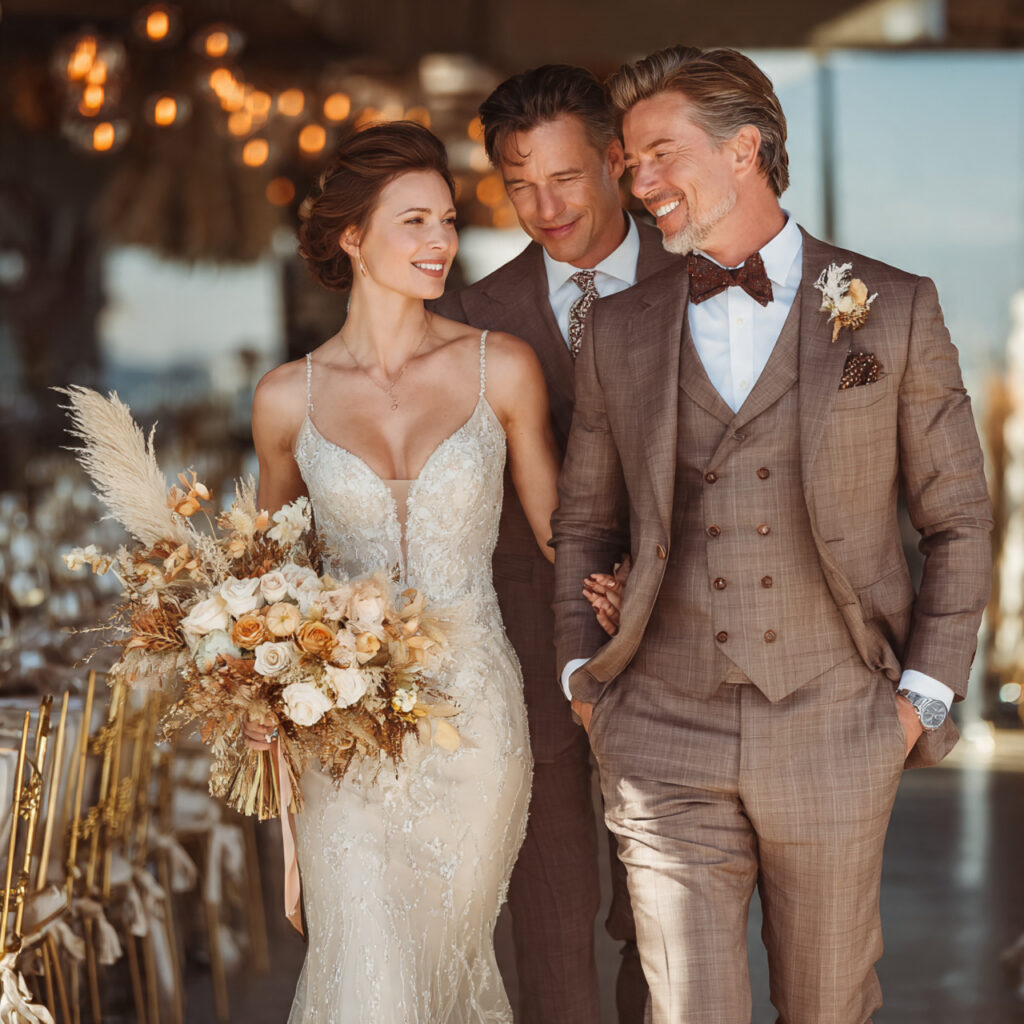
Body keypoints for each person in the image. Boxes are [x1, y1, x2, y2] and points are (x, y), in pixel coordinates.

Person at [552, 46, 993, 1024]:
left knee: (828, 1002)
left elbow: (957, 517)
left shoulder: (892, 307)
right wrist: (585, 682)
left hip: (837, 719)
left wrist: (916, 701)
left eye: (658, 153)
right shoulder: (616, 329)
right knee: (688, 1008)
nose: (640, 182)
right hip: (660, 729)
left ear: (745, 147)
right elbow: (584, 521)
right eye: (629, 163)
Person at [248, 121, 590, 1024]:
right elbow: (261, 573)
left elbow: (565, 532)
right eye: (414, 223)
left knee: (441, 965)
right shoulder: (288, 397)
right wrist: (252, 693)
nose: (441, 242)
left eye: (447, 221)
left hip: (473, 724)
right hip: (339, 733)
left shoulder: (499, 369)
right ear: (352, 237)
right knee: (369, 974)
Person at [432, 64, 677, 1024]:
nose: (544, 206)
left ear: (617, 162)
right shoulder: (467, 319)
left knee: (662, 926)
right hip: (528, 649)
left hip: (675, 647)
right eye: (518, 183)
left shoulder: (700, 280)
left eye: (566, 177)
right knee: (549, 919)